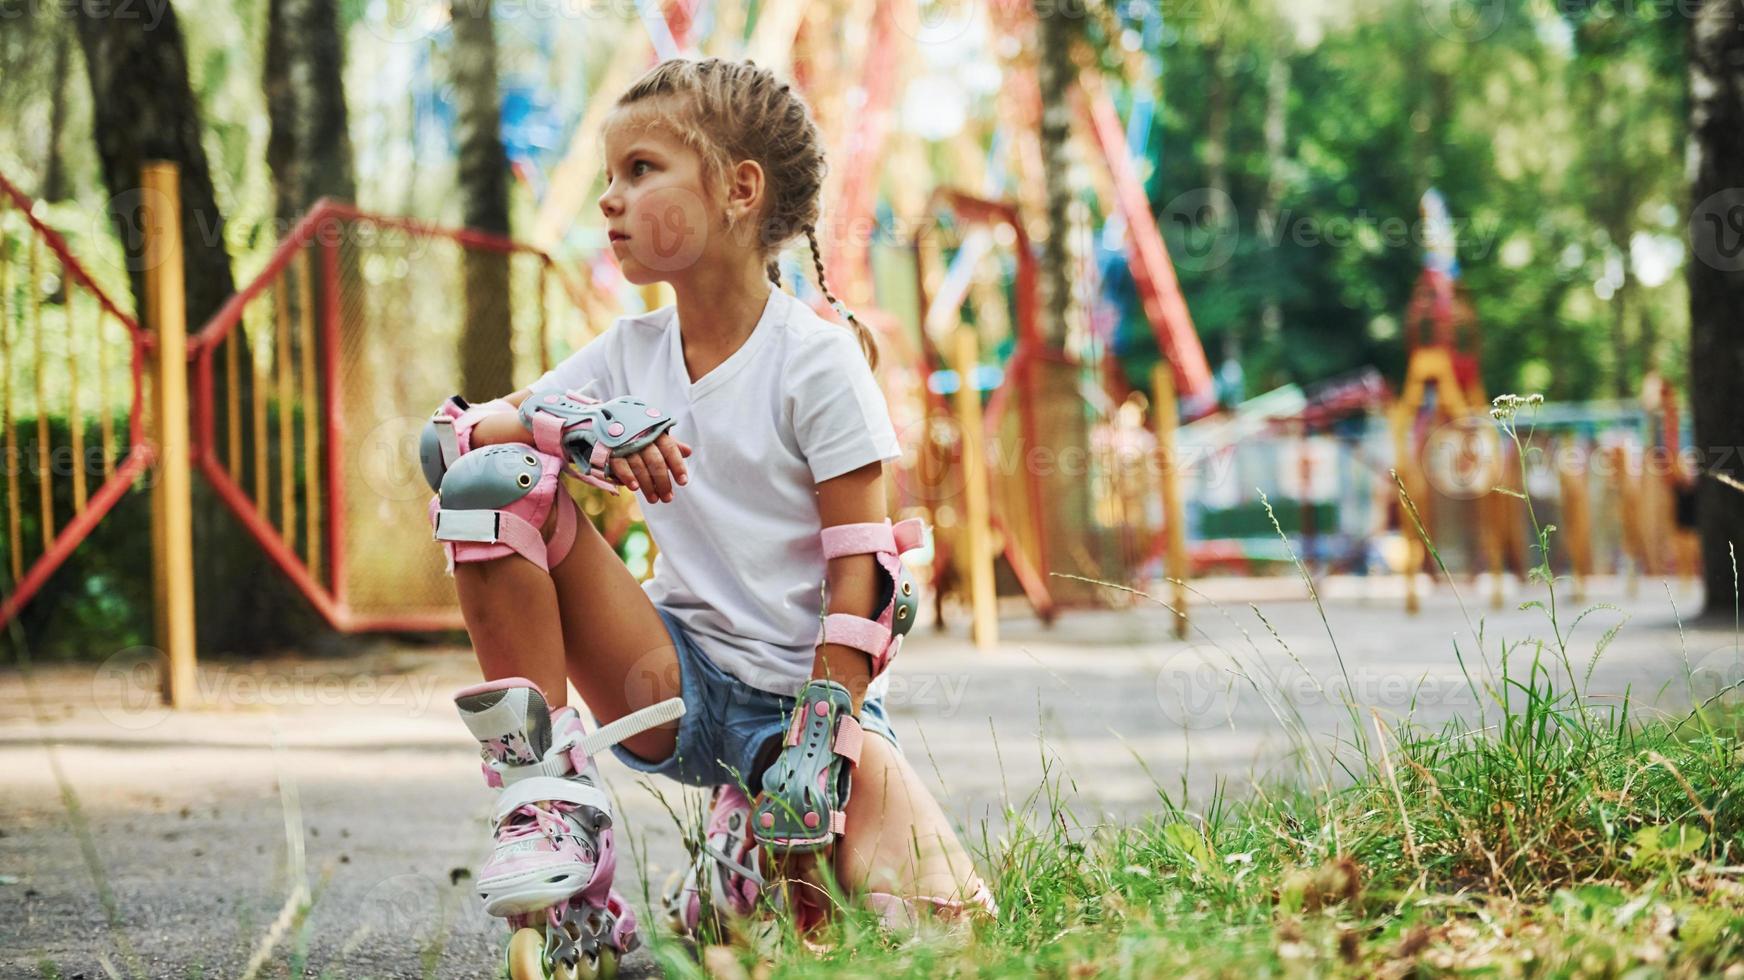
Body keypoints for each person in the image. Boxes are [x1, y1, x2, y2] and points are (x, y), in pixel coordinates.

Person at [418, 58, 994, 977]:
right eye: (608, 176)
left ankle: (749, 853)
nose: (609, 200)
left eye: (640, 171)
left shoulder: (814, 361)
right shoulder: (625, 354)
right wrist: (566, 427)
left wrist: (822, 744)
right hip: (668, 680)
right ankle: (555, 827)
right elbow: (446, 446)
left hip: (806, 709)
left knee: (934, 929)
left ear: (738, 188)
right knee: (495, 481)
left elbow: (869, 574)